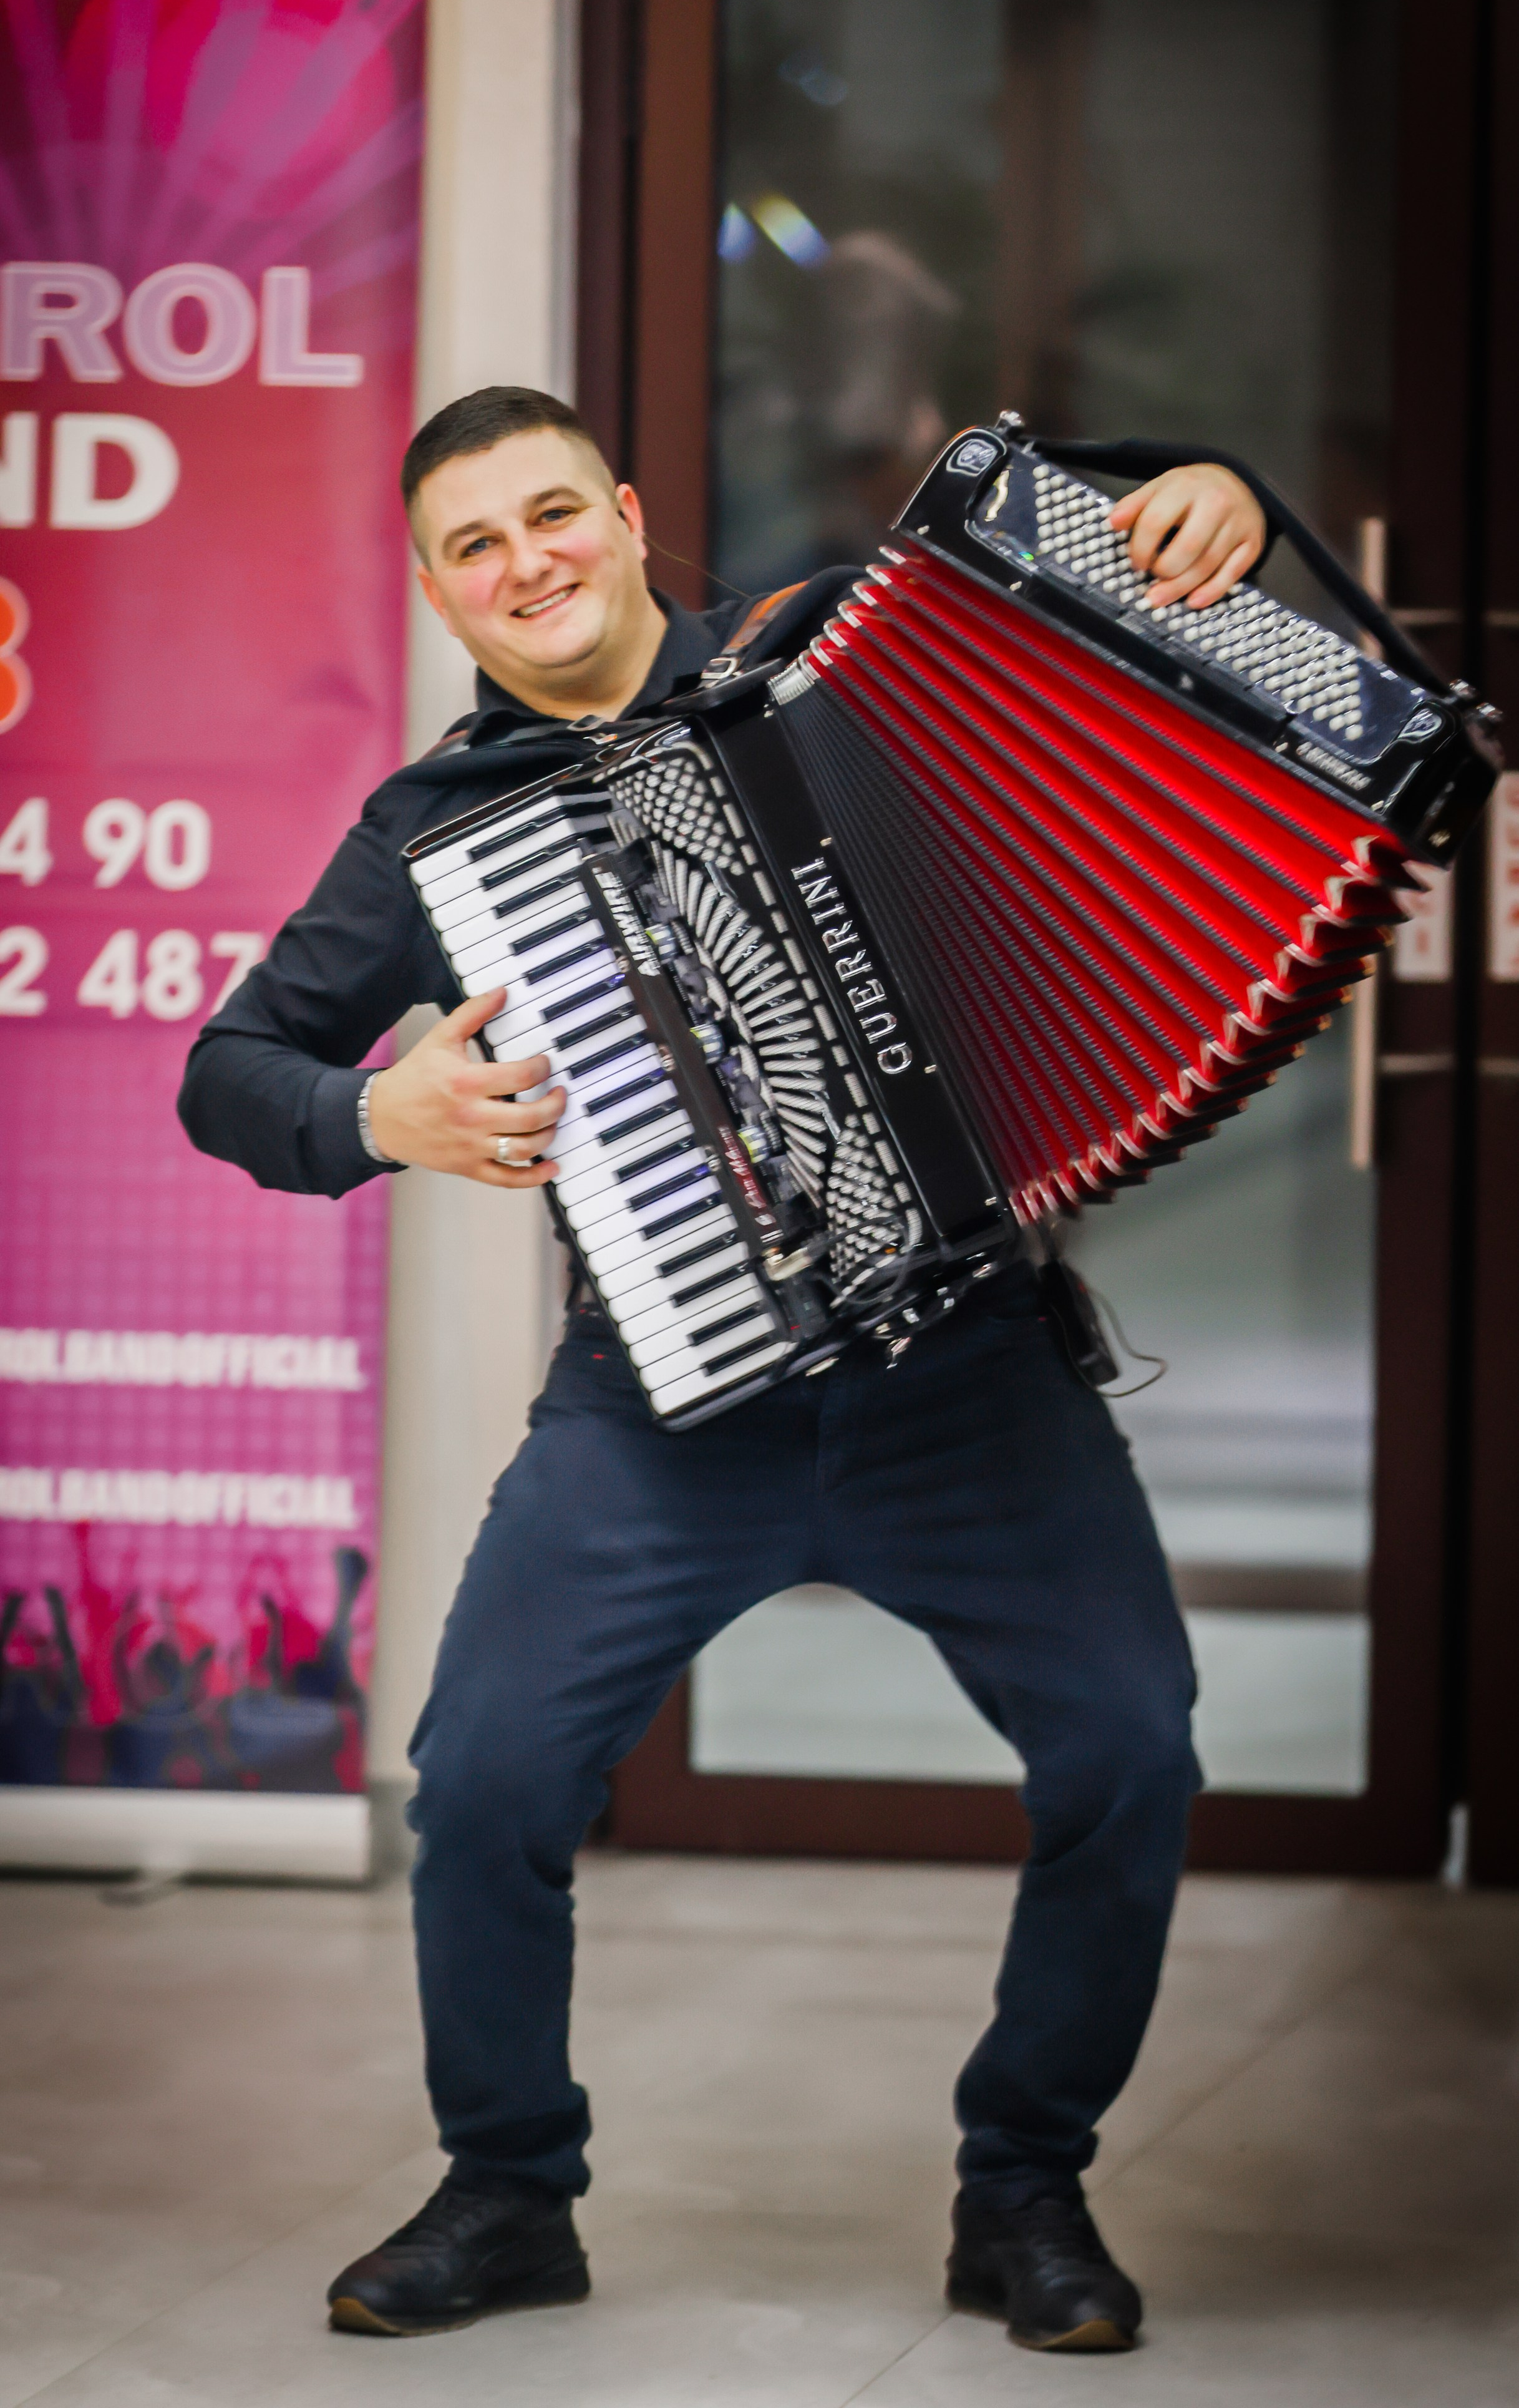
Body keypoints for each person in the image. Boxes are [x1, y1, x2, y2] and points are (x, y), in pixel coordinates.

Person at [178, 387, 1268, 2354]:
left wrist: (1200, 490)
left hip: (967, 1377)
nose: (525, 566)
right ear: (436, 593)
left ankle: (1023, 2185)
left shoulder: (835, 654)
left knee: (1126, 1753)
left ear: (622, 511)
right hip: (660, 1400)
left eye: (549, 516)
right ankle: (510, 2190)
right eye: (473, 547)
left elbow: (1099, 569)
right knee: (483, 1776)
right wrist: (375, 1114)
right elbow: (226, 1076)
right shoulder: (434, 826)